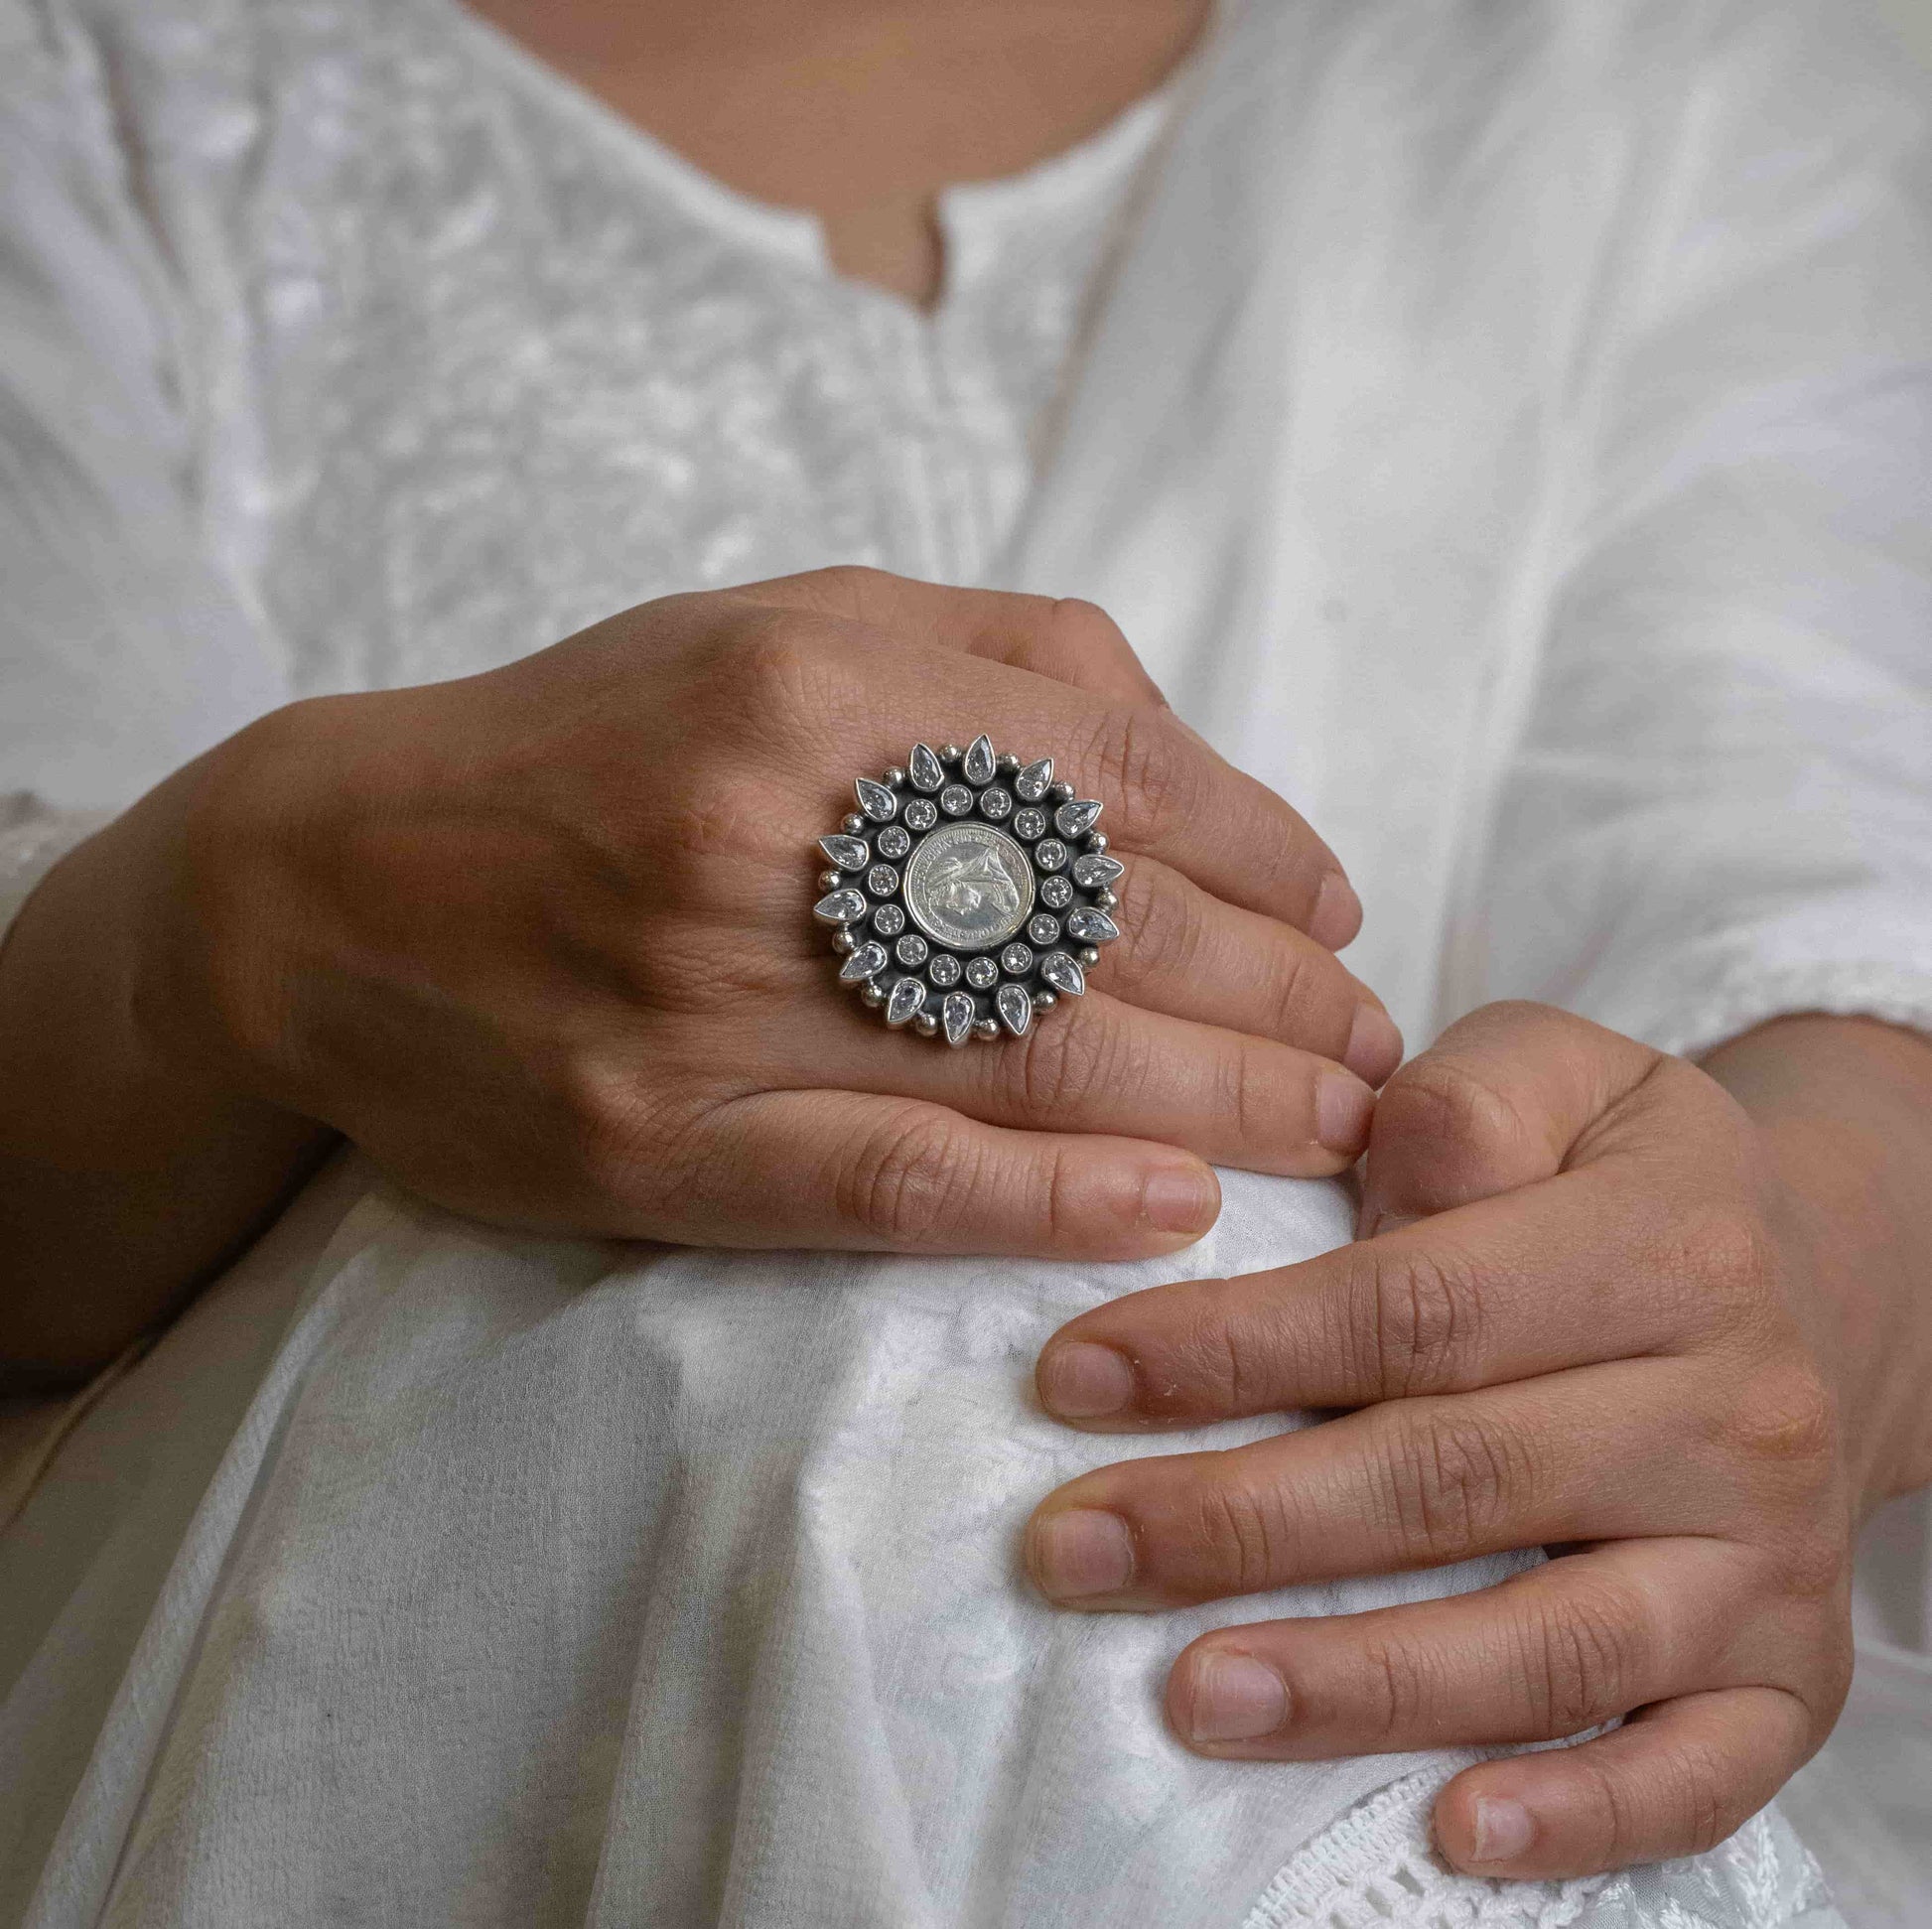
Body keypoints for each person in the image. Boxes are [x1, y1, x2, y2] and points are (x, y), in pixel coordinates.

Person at [1, 0, 1929, 1919]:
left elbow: (1824, 885)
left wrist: (1766, 1284)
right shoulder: (92, 86)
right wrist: (253, 909)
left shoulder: (1641, 71)